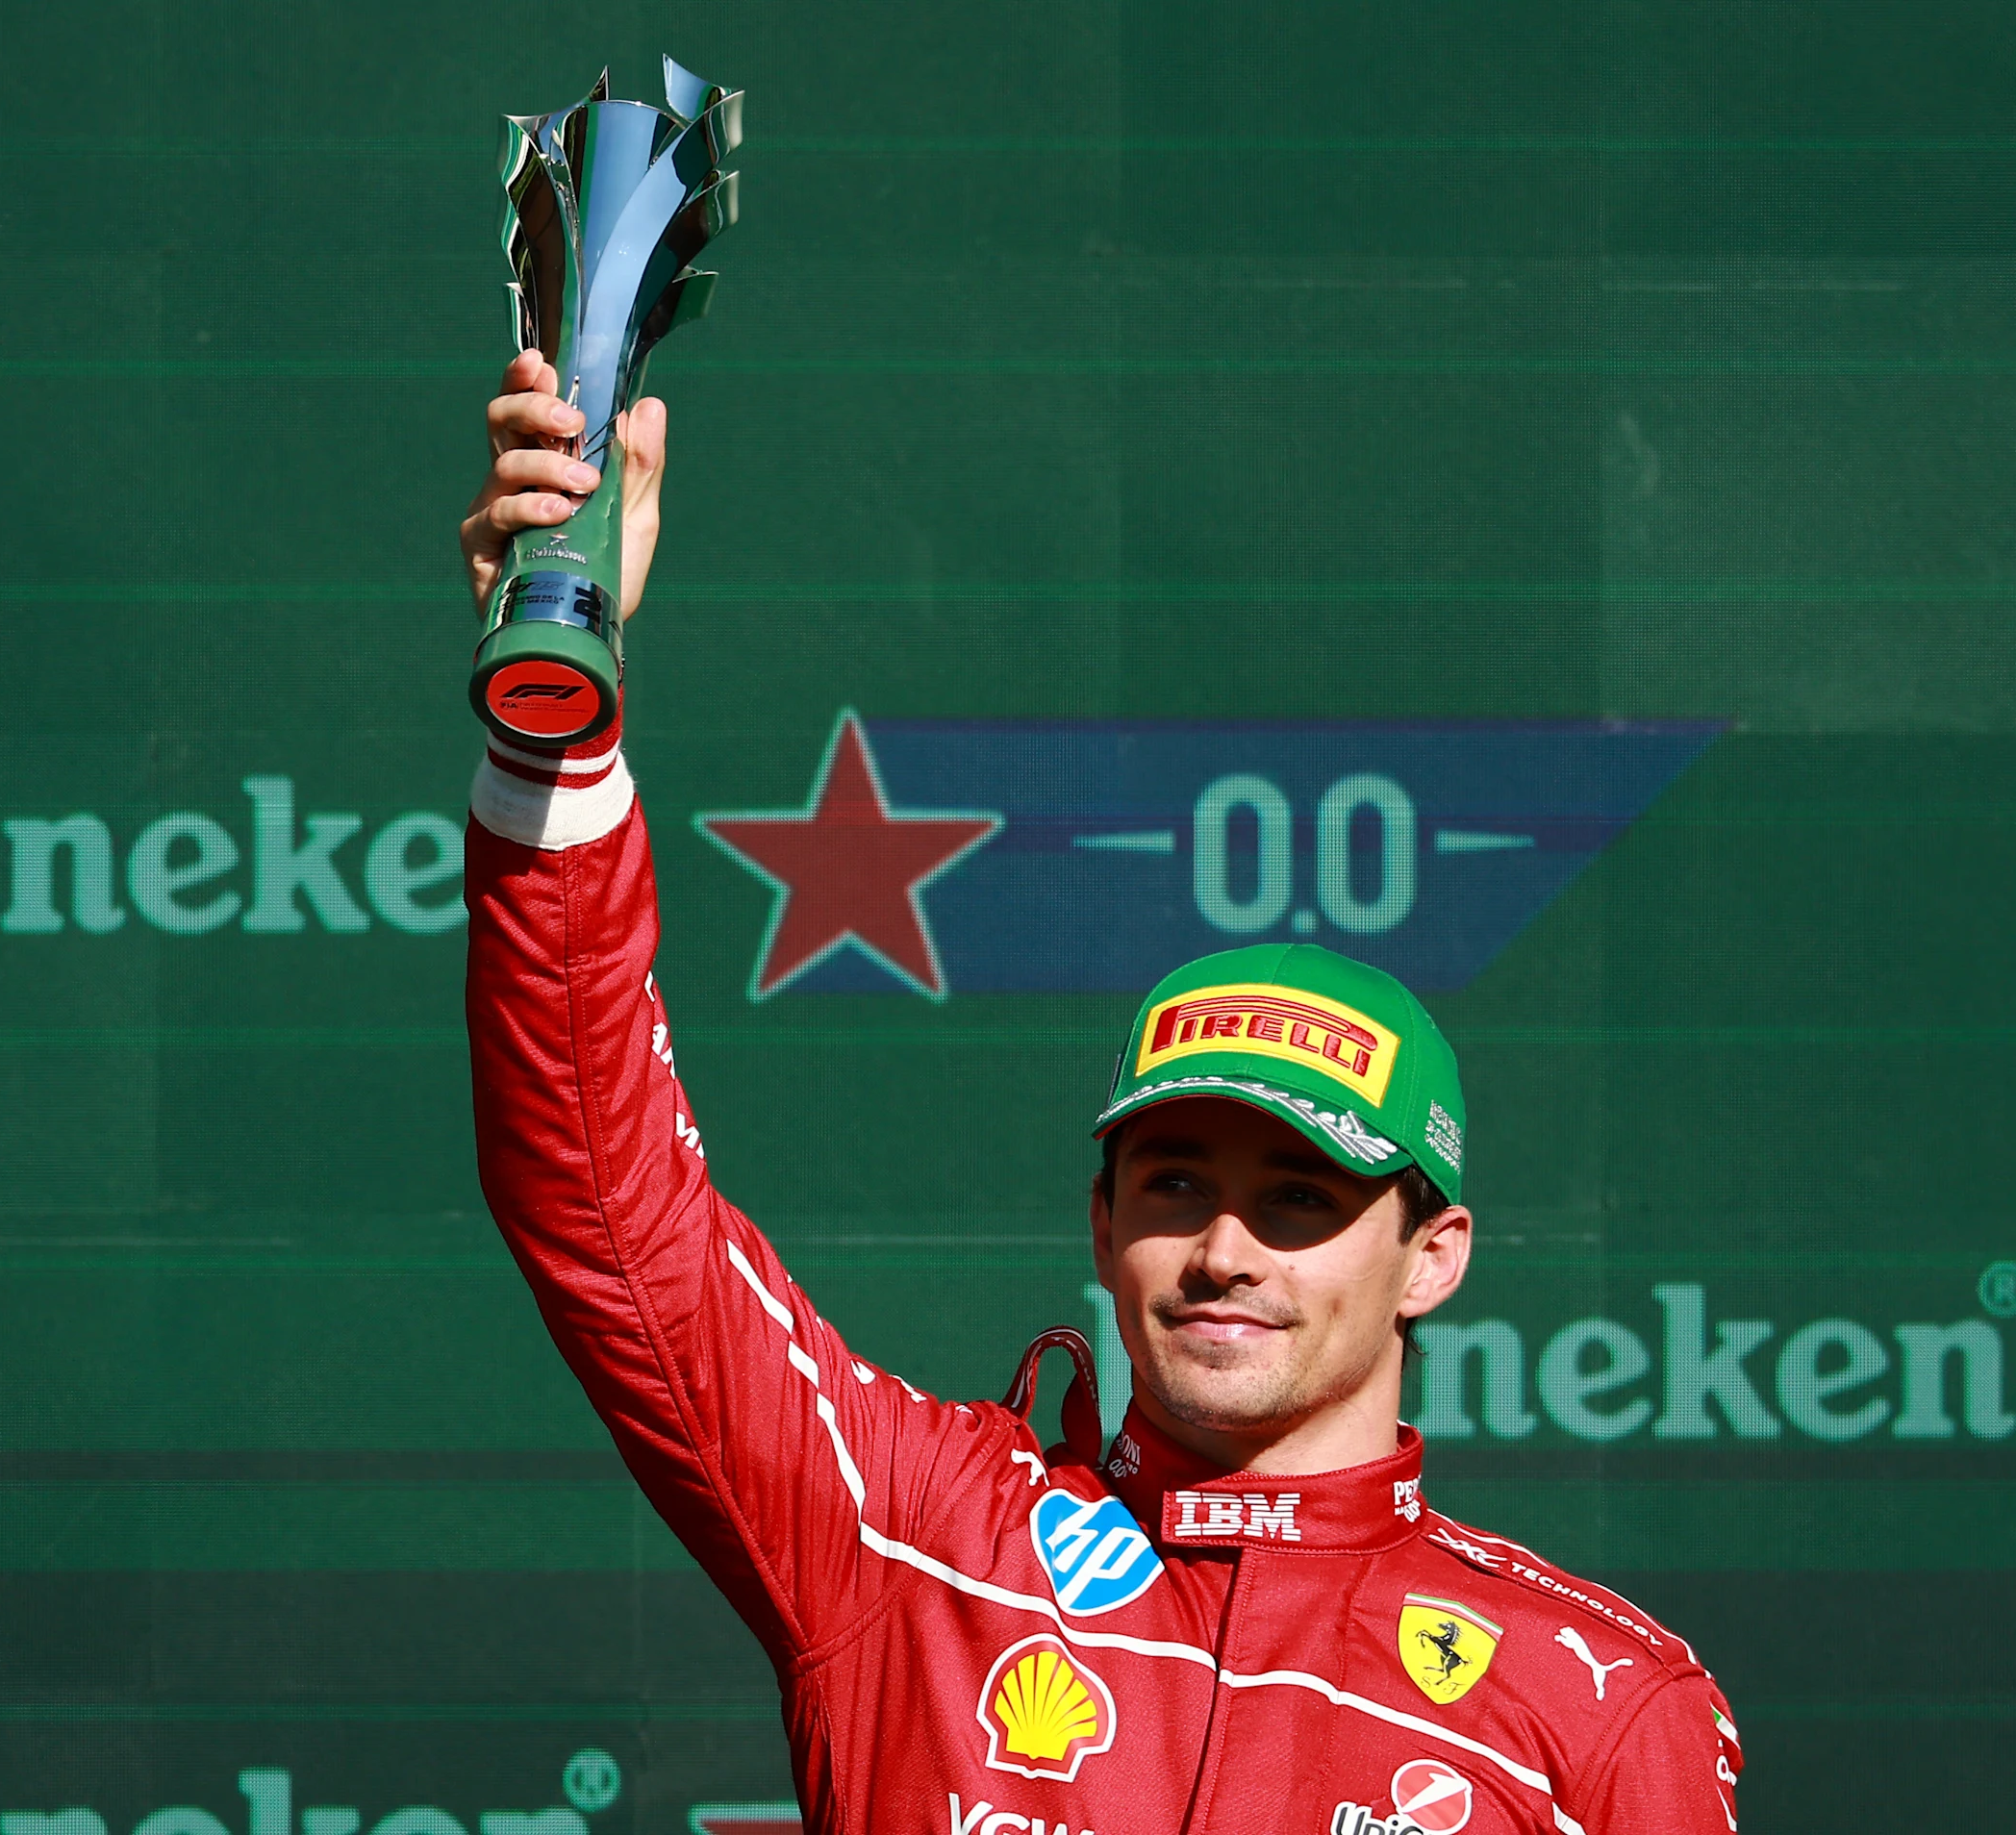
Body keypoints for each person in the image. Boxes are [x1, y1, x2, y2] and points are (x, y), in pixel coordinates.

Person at [458, 353, 1742, 1835]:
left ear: (1432, 1255)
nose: (1224, 1250)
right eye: (1176, 1182)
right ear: (1102, 1216)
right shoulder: (921, 1540)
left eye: (1303, 1197)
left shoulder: (1594, 1706)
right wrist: (551, 725)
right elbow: (606, 1209)